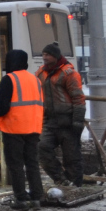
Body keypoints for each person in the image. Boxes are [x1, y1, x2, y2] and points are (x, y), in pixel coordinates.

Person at [0, 49, 44, 210]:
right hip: (33, 127)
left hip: (14, 127)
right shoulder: (35, 80)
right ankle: (36, 197)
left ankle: (21, 199)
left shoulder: (9, 79)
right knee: (32, 163)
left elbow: (1, 105)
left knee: (16, 165)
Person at [37, 41, 86, 186]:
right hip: (49, 121)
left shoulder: (69, 73)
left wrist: (77, 121)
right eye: (43, 54)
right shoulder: (41, 72)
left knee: (72, 157)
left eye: (48, 55)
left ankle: (75, 185)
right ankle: (61, 179)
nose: (44, 57)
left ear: (56, 56)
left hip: (68, 122)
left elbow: (78, 98)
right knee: (41, 148)